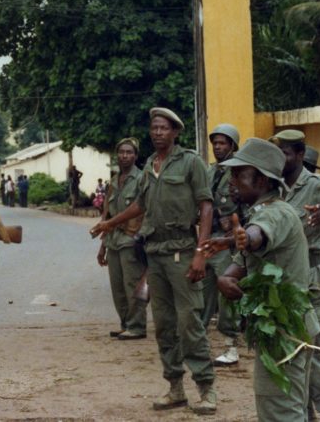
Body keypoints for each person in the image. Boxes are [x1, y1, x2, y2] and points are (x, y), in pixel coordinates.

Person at [91, 107, 217, 415]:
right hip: (156, 253)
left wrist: (201, 252)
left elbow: (206, 207)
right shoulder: (150, 165)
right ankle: (175, 388)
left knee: (190, 324)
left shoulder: (191, 162)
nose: (157, 132)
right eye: (154, 128)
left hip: (182, 251)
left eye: (163, 128)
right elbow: (140, 204)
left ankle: (206, 389)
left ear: (175, 132)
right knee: (163, 326)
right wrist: (109, 223)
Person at [202, 137, 315, 422]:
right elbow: (237, 267)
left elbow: (257, 236)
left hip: (285, 331)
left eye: (240, 173)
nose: (232, 180)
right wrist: (226, 279)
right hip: (281, 328)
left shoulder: (276, 213)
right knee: (288, 407)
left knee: (280, 410)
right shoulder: (258, 213)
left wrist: (241, 238)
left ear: (263, 180)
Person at [272, 130, 320, 422]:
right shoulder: (274, 187)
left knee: (317, 351)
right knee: (290, 352)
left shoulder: (315, 184)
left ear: (300, 155)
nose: (281, 159)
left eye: (286, 153)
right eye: (277, 153)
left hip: (310, 277)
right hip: (282, 280)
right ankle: (303, 413)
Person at [201, 123, 244, 366]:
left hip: (228, 242)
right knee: (203, 290)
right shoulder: (210, 171)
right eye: (215, 143)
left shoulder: (239, 171)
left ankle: (231, 345)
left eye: (223, 143)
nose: (218, 147)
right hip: (209, 236)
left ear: (232, 145)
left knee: (226, 291)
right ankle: (200, 339)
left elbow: (246, 204)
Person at [96, 137, 147, 340]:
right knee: (117, 287)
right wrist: (102, 246)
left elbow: (144, 210)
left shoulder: (142, 179)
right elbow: (107, 216)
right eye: (121, 152)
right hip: (113, 241)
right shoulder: (114, 180)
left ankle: (137, 326)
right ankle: (126, 323)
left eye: (129, 152)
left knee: (132, 285)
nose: (124, 156)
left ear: (135, 156)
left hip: (131, 239)